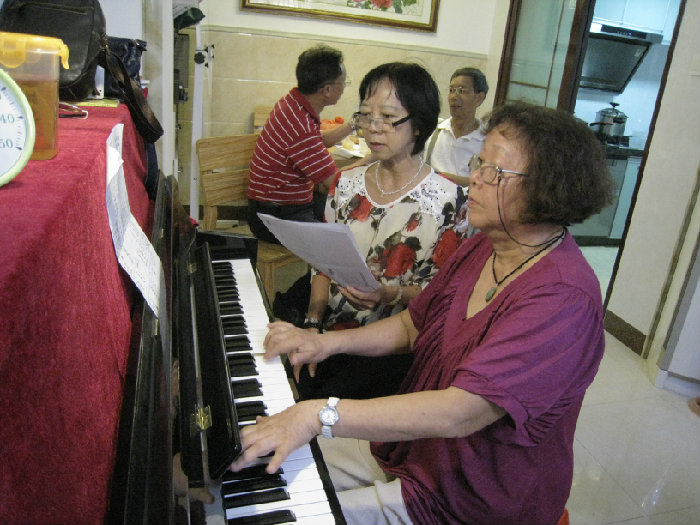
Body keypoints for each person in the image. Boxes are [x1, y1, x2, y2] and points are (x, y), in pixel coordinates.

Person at [230, 101, 614, 525]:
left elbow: (460, 411)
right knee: (247, 466)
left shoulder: (563, 297)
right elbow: (412, 325)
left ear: (547, 189)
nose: (475, 179)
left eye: (493, 171)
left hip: (466, 496)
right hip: (409, 451)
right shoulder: (485, 244)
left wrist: (318, 413)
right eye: (479, 164)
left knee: (275, 515)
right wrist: (323, 343)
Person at [296, 62, 467, 401]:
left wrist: (390, 294)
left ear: (418, 124)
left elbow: (441, 293)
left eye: (388, 117)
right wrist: (313, 322)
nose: (373, 129)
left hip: (394, 348)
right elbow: (322, 266)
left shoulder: (449, 201)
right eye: (366, 116)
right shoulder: (346, 184)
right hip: (331, 332)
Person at [247, 44, 356, 243]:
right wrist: (373, 159)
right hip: (274, 216)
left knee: (347, 218)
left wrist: (353, 124)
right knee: (340, 240)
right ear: (327, 90)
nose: (344, 87)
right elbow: (334, 183)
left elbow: (316, 142)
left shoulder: (292, 103)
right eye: (344, 82)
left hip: (285, 205)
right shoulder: (299, 124)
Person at [424, 67, 488, 187]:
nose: (454, 96)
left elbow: (486, 183)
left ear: (479, 98)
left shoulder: (486, 140)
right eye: (451, 90)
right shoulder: (434, 130)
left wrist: (441, 177)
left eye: (461, 91)